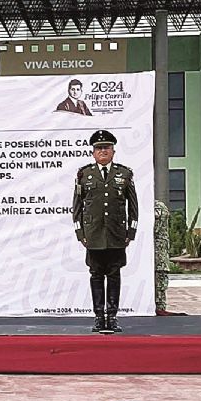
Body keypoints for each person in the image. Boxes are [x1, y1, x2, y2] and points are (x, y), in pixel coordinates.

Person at [72, 130, 138, 334]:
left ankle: (113, 317)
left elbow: (133, 206)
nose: (102, 151)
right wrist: (80, 232)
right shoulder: (85, 175)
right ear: (93, 152)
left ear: (113, 151)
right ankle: (99, 318)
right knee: (96, 275)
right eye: (99, 148)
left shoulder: (124, 174)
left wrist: (131, 232)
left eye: (106, 148)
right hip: (93, 235)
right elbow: (77, 207)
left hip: (116, 234)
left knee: (115, 275)